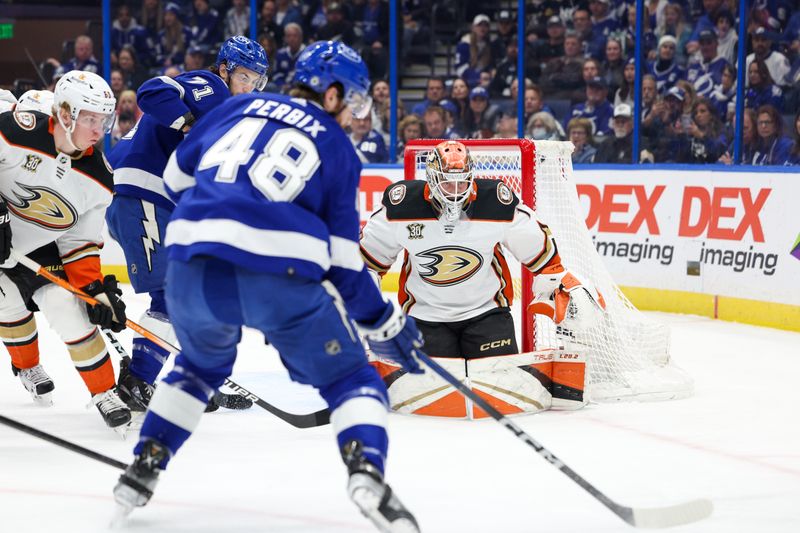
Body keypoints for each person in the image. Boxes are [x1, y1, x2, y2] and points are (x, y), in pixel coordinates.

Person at [112, 40, 423, 533]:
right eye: (357, 103)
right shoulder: (337, 146)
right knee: (352, 379)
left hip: (193, 267)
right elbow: (344, 263)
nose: (355, 116)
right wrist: (384, 322)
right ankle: (367, 475)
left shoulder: (231, 109)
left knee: (197, 369)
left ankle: (144, 465)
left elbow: (173, 179)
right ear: (335, 95)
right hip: (281, 279)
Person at [105, 36, 268, 413]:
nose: (249, 87)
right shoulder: (211, 87)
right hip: (144, 196)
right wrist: (187, 121)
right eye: (245, 76)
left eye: (257, 81)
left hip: (154, 202)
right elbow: (152, 89)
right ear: (224, 69)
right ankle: (138, 380)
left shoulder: (227, 112)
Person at [360, 140, 603, 362]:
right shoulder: (402, 206)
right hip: (425, 317)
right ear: (431, 179)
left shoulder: (495, 204)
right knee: (434, 392)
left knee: (503, 384)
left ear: (471, 177)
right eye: (446, 182)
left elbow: (542, 256)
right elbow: (368, 263)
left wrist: (560, 280)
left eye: (461, 182)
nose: (455, 190)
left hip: (487, 314)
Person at [0, 71, 130, 428]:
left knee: (66, 308)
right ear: (66, 113)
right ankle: (27, 366)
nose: (98, 130)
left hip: (41, 251)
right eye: (91, 119)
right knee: (4, 300)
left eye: (103, 119)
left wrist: (94, 291)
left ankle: (105, 392)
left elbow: (79, 243)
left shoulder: (99, 178)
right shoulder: (16, 130)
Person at [271, 22, 305, 88]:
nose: (292, 39)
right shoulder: (280, 54)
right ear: (285, 38)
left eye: (295, 35)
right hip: (282, 88)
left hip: (300, 88)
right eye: (289, 36)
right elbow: (276, 73)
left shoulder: (307, 54)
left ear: (301, 37)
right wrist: (282, 84)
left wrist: (293, 86)